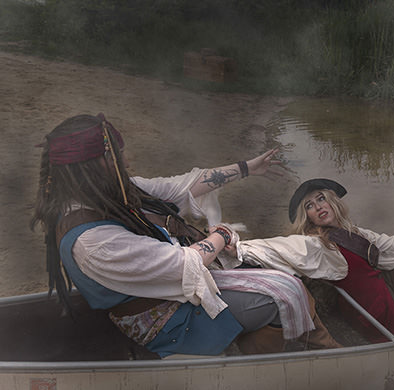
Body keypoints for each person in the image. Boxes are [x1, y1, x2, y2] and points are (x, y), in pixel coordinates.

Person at [30, 113, 340, 358]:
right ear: (94, 167)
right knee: (281, 293)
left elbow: (182, 187)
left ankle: (270, 343)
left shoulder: (108, 195)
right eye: (118, 157)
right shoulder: (92, 242)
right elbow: (186, 264)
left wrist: (247, 168)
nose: (127, 162)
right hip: (163, 317)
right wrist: (221, 233)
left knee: (264, 270)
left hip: (165, 290)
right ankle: (263, 365)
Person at [224, 178, 394, 341]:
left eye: (321, 198)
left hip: (385, 287)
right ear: (308, 216)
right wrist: (238, 247)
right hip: (377, 312)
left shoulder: (354, 232)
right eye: (309, 205)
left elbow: (391, 245)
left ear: (331, 201)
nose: (318, 206)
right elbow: (281, 248)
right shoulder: (318, 245)